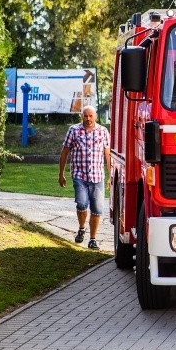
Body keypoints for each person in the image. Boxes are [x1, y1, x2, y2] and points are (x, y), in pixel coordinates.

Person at [58, 105, 111, 250]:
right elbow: (65, 152)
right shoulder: (73, 130)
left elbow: (107, 154)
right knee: (81, 204)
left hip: (97, 176)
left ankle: (93, 239)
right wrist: (61, 174)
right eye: (85, 116)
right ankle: (82, 228)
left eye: (91, 116)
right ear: (82, 116)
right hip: (79, 175)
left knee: (97, 209)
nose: (88, 119)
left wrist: (110, 176)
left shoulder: (103, 131)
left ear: (95, 116)